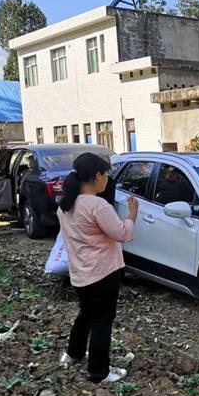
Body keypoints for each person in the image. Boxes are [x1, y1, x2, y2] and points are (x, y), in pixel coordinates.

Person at [57, 153, 138, 384]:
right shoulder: (97, 205)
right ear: (97, 176)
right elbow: (122, 233)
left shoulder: (66, 205)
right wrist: (132, 214)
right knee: (102, 321)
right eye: (106, 175)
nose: (107, 180)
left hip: (80, 273)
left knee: (86, 314)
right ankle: (99, 372)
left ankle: (73, 354)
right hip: (103, 273)